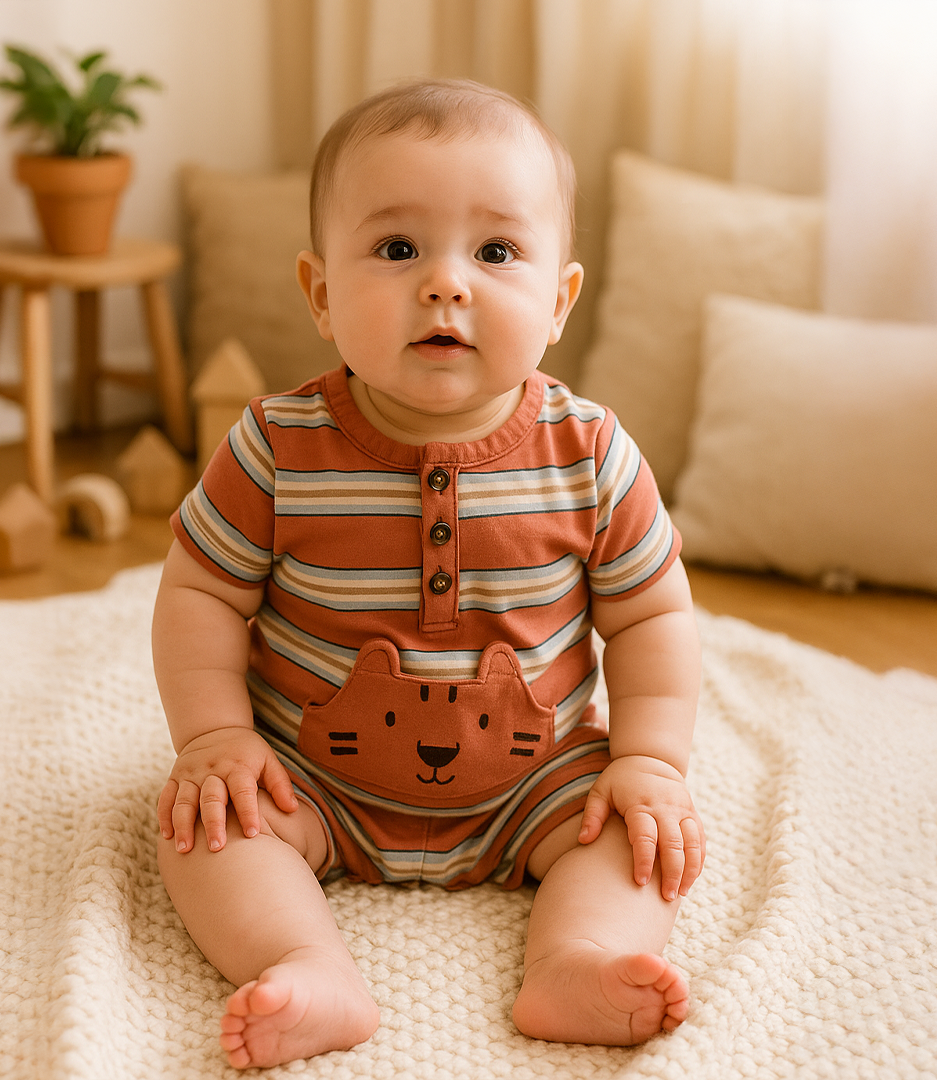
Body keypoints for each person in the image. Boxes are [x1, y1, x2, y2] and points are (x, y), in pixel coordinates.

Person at [152, 78, 704, 1071]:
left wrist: (648, 762)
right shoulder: (277, 446)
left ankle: (577, 957)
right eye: (398, 249)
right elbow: (200, 594)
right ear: (321, 294)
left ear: (557, 302)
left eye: (496, 252)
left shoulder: (589, 452)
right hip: (313, 778)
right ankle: (304, 961)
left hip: (538, 783)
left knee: (634, 841)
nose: (446, 283)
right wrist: (218, 738)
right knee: (203, 830)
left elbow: (651, 615)